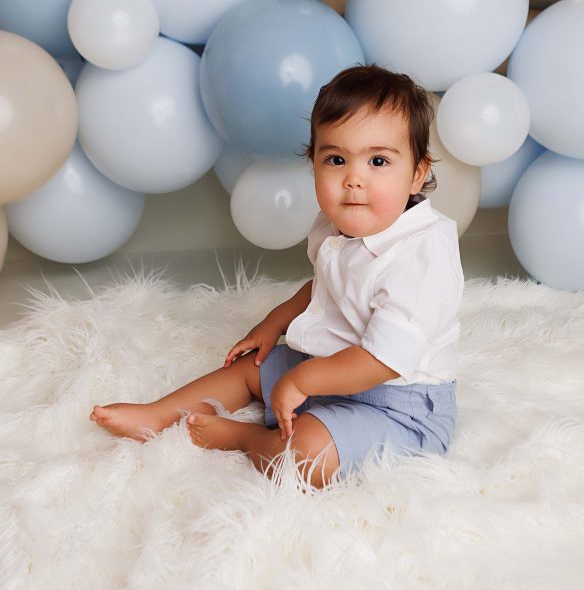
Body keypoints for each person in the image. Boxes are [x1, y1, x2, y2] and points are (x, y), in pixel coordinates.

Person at [90, 64, 465, 488]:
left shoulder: (422, 255)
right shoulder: (335, 226)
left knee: (309, 455)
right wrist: (274, 325)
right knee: (252, 367)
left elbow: (382, 360)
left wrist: (302, 379)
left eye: (378, 161)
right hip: (331, 368)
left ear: (417, 172)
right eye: (336, 159)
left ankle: (246, 438)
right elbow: (327, 287)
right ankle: (158, 414)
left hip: (398, 404)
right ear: (313, 164)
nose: (353, 180)